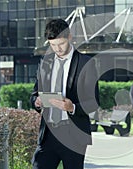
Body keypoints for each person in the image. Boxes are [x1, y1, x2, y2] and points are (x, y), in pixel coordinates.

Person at [30, 19, 99, 169]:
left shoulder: (86, 63)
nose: (58, 49)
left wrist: (72, 107)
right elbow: (34, 94)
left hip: (74, 135)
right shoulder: (45, 63)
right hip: (48, 134)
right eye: (53, 45)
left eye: (61, 44)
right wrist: (36, 101)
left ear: (69, 37)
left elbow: (93, 102)